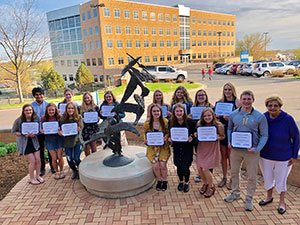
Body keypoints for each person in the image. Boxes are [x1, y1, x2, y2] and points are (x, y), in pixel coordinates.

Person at [224, 90, 268, 212]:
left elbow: (264, 135)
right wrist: (229, 141)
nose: (246, 101)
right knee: (234, 173)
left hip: (251, 151)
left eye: (249, 99)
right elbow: (230, 129)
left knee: (251, 176)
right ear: (240, 100)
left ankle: (249, 198)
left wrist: (257, 148)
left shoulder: (259, 116)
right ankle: (235, 193)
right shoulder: (233, 115)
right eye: (244, 99)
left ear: (253, 100)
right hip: (236, 150)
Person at [259, 96, 299, 215]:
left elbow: (296, 137)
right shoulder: (263, 118)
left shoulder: (288, 119)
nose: (272, 108)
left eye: (275, 105)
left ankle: (282, 202)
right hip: (265, 155)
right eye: (270, 105)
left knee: (281, 180)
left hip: (283, 156)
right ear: (266, 106)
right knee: (267, 178)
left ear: (280, 107)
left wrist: (294, 155)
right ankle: (269, 197)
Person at [12, 104, 44, 185]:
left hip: (35, 142)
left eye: (30, 110)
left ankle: (37, 176)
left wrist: (37, 133)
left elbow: (39, 130)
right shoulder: (18, 120)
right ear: (23, 111)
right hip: (25, 143)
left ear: (32, 110)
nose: (28, 111)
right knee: (32, 161)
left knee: (38, 160)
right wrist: (23, 134)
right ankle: (31, 178)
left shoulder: (36, 118)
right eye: (26, 110)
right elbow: (14, 131)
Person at [217, 83, 241, 189]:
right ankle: (224, 177)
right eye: (225, 89)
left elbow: (241, 117)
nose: (227, 91)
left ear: (233, 90)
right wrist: (217, 116)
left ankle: (233, 178)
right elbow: (215, 119)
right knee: (223, 157)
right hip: (223, 131)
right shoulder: (220, 102)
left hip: (233, 132)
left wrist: (231, 118)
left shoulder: (237, 102)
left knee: (232, 157)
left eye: (229, 89)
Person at [196, 108, 224, 198]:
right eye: (205, 116)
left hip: (212, 149)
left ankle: (211, 186)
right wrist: (196, 135)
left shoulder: (218, 125)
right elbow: (197, 135)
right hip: (202, 148)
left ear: (213, 116)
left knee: (205, 169)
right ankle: (205, 183)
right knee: (200, 168)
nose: (207, 117)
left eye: (209, 115)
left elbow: (223, 136)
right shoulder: (199, 124)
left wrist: (217, 137)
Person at [144, 104, 170, 191]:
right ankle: (159, 180)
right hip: (152, 148)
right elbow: (145, 134)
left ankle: (165, 180)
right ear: (151, 112)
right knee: (155, 166)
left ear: (161, 112)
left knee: (162, 165)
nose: (156, 113)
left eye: (158, 111)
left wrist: (166, 137)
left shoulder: (165, 121)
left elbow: (168, 132)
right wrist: (145, 140)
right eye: (154, 111)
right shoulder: (147, 124)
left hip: (163, 147)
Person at [170, 103, 195, 193]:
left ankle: (187, 182)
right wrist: (169, 139)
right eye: (177, 111)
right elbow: (169, 134)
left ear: (184, 112)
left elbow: (194, 134)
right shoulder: (171, 122)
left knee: (186, 166)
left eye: (181, 111)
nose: (179, 113)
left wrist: (192, 137)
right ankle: (181, 181)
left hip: (187, 148)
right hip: (177, 148)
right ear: (174, 112)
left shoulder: (190, 122)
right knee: (178, 166)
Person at [191, 89, 214, 183]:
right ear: (196, 97)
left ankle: (209, 176)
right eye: (199, 95)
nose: (201, 97)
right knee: (199, 155)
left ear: (206, 96)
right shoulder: (193, 107)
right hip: (198, 135)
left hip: (209, 135)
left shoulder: (211, 106)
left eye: (202, 95)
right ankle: (200, 174)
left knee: (209, 156)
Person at [31, 87, 54, 176]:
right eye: (36, 95)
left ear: (43, 95)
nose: (39, 96)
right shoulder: (31, 106)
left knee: (50, 149)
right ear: (34, 96)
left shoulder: (48, 105)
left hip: (48, 132)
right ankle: (42, 168)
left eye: (40, 94)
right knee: (40, 151)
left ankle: (52, 167)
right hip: (38, 133)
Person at [59, 102, 82, 180]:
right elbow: (59, 129)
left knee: (76, 158)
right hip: (67, 142)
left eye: (72, 108)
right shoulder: (62, 119)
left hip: (77, 141)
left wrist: (79, 129)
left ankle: (80, 170)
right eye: (69, 108)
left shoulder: (78, 118)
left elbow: (82, 128)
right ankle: (74, 171)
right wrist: (60, 132)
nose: (70, 110)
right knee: (69, 159)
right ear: (66, 109)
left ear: (74, 109)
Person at [41, 103, 65, 180]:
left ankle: (62, 171)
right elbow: (41, 128)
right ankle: (56, 171)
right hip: (49, 139)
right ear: (47, 111)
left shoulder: (60, 117)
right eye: (49, 110)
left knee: (59, 156)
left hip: (58, 138)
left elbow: (63, 128)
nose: (51, 111)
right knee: (54, 158)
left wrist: (61, 131)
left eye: (52, 110)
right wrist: (42, 131)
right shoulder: (43, 118)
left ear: (55, 110)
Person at [80, 92, 100, 156]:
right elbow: (77, 117)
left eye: (88, 98)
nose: (87, 99)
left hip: (93, 128)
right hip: (85, 129)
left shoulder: (96, 107)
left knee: (93, 145)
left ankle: (94, 159)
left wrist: (98, 118)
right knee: (87, 146)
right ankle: (87, 160)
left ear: (91, 98)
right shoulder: (80, 108)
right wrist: (81, 119)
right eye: (85, 98)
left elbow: (100, 116)